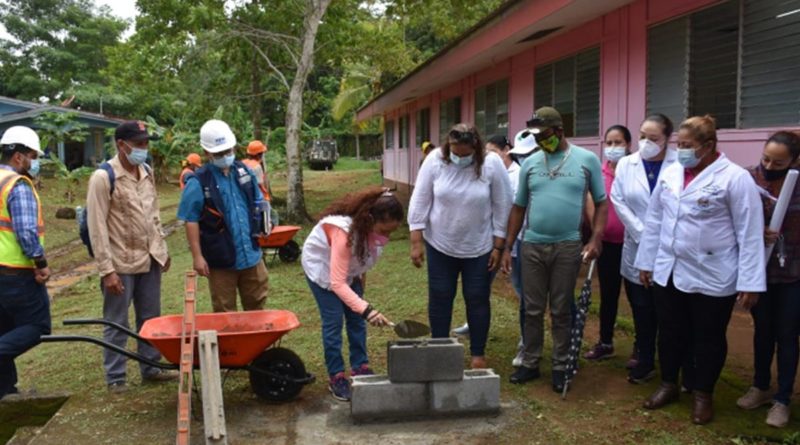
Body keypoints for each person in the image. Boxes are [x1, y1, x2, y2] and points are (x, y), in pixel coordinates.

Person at [634, 115, 765, 425]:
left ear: (708, 146)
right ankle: (668, 384)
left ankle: (703, 394)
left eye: (688, 145)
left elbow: (749, 231)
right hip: (669, 267)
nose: (682, 151)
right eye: (679, 144)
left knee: (708, 337)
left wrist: (751, 281)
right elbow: (654, 221)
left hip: (712, 271)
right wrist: (646, 261)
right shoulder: (671, 173)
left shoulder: (734, 178)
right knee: (669, 332)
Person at [501, 106, 608, 393]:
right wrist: (508, 246)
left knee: (561, 309)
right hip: (532, 244)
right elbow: (519, 207)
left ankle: (561, 364)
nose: (539, 142)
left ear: (559, 131)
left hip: (568, 246)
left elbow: (601, 202)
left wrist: (596, 238)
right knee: (532, 308)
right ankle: (531, 362)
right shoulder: (531, 164)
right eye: (535, 137)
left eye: (544, 135)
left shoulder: (586, 160)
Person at [408, 123, 512, 369]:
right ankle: (440, 349)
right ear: (448, 147)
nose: (460, 158)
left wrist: (499, 246)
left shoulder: (492, 164)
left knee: (477, 297)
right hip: (440, 244)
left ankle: (478, 354)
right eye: (455, 152)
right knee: (440, 295)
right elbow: (420, 198)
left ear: (475, 148)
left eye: (465, 154)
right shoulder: (435, 160)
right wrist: (416, 241)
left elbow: (503, 203)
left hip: (480, 246)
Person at [86, 121, 175, 393]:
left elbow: (154, 214)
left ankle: (151, 367)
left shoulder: (147, 172)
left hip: (149, 259)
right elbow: (97, 227)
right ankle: (116, 377)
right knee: (116, 321)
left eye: (146, 144)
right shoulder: (103, 178)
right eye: (138, 145)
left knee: (150, 317)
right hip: (120, 262)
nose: (143, 149)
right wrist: (107, 270)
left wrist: (162, 248)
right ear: (121, 145)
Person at [302, 187, 401, 401]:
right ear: (369, 220)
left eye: (391, 232)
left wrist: (359, 300)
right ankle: (336, 376)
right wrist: (368, 310)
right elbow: (337, 283)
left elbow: (361, 263)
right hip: (323, 270)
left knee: (356, 320)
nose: (386, 237)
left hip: (348, 272)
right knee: (333, 322)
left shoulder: (371, 233)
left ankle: (360, 366)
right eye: (384, 231)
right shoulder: (343, 232)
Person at [737, 131, 800, 428]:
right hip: (759, 272)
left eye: (779, 161)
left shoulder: (798, 184)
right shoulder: (748, 179)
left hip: (793, 274)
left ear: (794, 160)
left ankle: (782, 399)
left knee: (787, 335)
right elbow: (735, 218)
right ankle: (760, 386)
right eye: (766, 158)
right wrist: (756, 230)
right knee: (763, 331)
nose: (770, 165)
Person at [609, 115, 678, 384]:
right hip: (636, 247)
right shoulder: (627, 163)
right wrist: (642, 233)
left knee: (669, 311)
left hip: (669, 249)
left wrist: (656, 238)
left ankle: (674, 364)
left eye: (654, 138)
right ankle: (646, 359)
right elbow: (618, 198)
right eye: (642, 136)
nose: (646, 143)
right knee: (641, 307)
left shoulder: (677, 164)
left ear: (667, 139)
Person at [178, 120, 269, 313]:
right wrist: (197, 257)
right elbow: (191, 219)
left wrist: (264, 225)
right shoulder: (198, 181)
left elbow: (259, 201)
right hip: (220, 258)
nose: (226, 156)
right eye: (219, 153)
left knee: (257, 305)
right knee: (224, 311)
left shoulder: (245, 173)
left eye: (229, 151)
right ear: (207, 153)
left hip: (251, 254)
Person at [0, 126, 51, 399]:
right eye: (32, 156)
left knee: (5, 330)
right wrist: (40, 262)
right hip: (15, 273)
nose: (34, 162)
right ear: (18, 157)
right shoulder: (16, 185)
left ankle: (6, 391)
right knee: (37, 327)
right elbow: (25, 231)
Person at [486, 132, 538, 367]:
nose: (524, 160)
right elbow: (514, 211)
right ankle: (526, 344)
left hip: (542, 243)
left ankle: (561, 349)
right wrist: (507, 246)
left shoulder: (519, 174)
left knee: (551, 301)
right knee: (524, 295)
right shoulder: (519, 175)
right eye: (521, 156)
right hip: (518, 242)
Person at [584, 125, 632, 363]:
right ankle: (605, 341)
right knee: (608, 295)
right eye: (609, 143)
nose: (613, 148)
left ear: (629, 145)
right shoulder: (599, 173)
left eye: (618, 142)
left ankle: (642, 348)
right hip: (608, 245)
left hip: (633, 245)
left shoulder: (635, 171)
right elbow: (590, 202)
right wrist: (595, 235)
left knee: (639, 298)